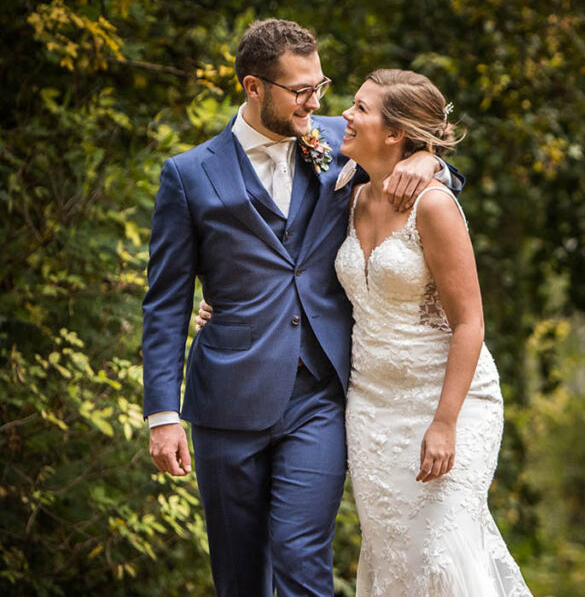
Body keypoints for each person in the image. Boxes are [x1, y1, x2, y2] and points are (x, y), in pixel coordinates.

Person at [141, 19, 461, 597]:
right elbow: (165, 304)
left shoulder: (340, 136)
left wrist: (430, 162)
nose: (316, 103)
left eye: (320, 86)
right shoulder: (188, 176)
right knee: (239, 576)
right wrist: (163, 414)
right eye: (300, 91)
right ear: (253, 87)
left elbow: (421, 159)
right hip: (226, 400)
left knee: (302, 561)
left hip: (319, 394)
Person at [198, 69, 532, 595]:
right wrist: (233, 303)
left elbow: (470, 322)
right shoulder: (344, 190)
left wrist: (445, 424)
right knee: (394, 557)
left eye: (358, 108)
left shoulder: (434, 204)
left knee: (442, 552)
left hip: (447, 400)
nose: (342, 117)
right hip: (371, 407)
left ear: (396, 132)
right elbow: (287, 262)